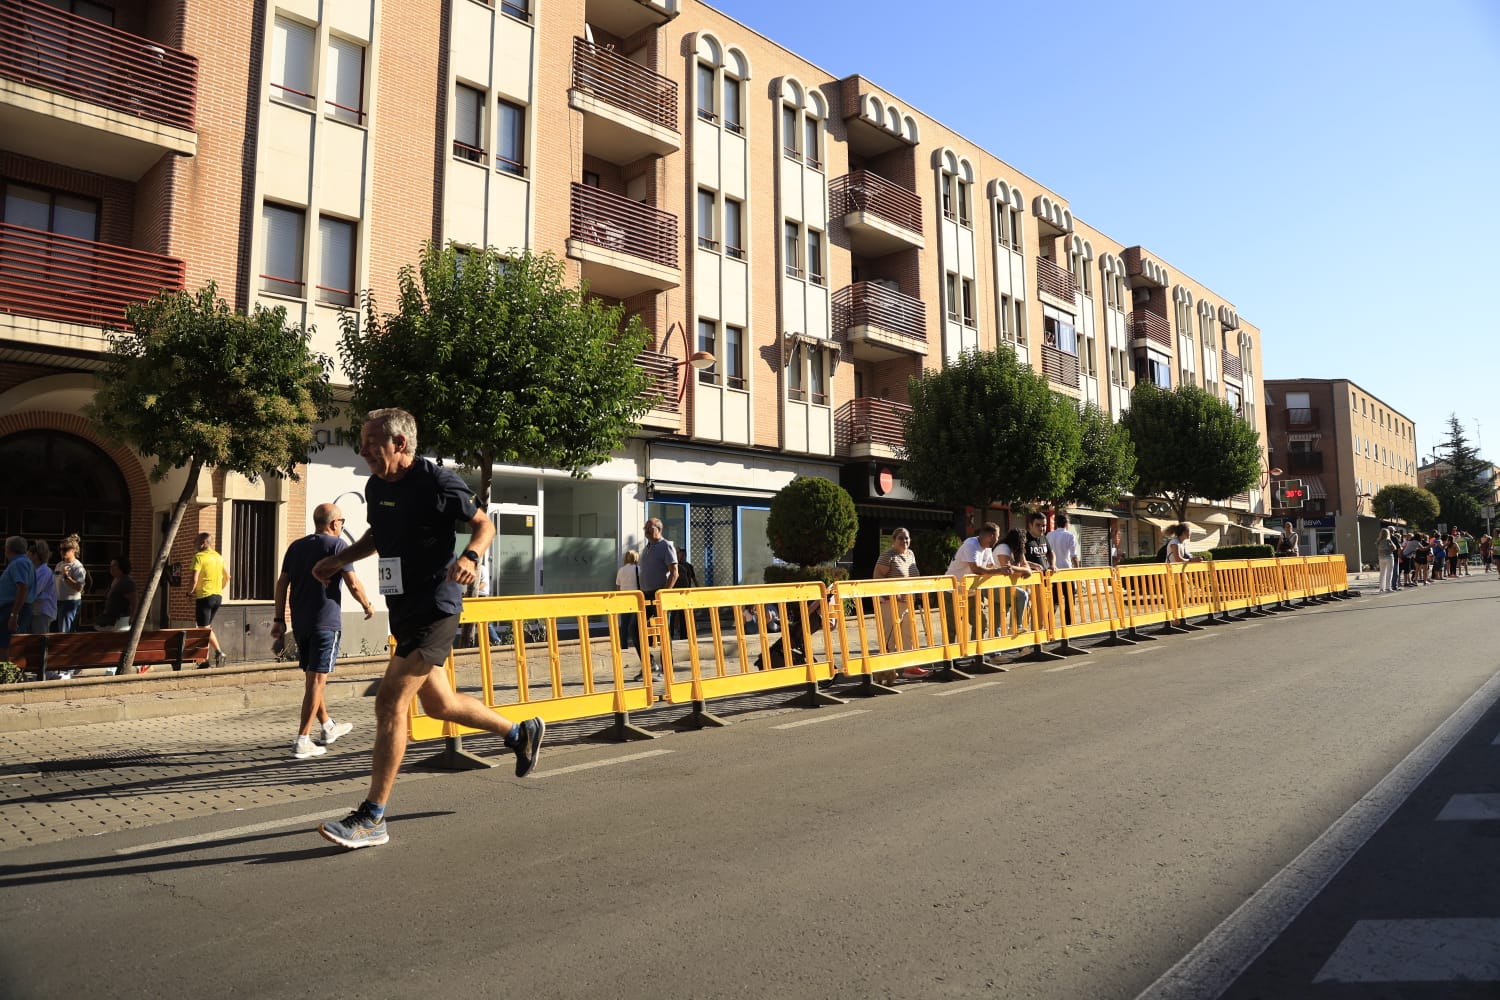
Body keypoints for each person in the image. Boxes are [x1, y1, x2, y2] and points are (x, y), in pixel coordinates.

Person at [313, 408, 544, 850]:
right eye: (361, 442)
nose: (362, 450)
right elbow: (379, 536)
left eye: (370, 442)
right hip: (403, 607)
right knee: (440, 704)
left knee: (390, 700)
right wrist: (339, 559)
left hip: (438, 606)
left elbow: (484, 524)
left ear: (400, 444)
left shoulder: (438, 481)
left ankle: (372, 817)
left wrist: (470, 558)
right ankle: (520, 733)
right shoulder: (376, 486)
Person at [271, 503, 373, 760]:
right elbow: (352, 582)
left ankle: (327, 726)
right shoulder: (336, 546)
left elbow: (282, 583)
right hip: (325, 623)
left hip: (302, 624)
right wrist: (367, 604)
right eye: (342, 522)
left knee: (313, 680)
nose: (342, 526)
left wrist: (279, 619)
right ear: (334, 523)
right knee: (317, 681)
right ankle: (302, 740)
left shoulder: (296, 547)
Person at [871, 528, 925, 684]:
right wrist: (892, 594)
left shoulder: (910, 554)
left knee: (909, 636)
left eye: (907, 538)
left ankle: (911, 668)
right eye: (901, 538)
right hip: (890, 603)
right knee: (890, 638)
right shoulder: (888, 556)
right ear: (893, 540)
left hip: (908, 603)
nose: (905, 541)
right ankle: (886, 670)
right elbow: (877, 577)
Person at [945, 521, 1003, 650]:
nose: (998, 539)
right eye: (998, 536)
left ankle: (973, 654)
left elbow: (990, 567)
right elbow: (976, 569)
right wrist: (999, 571)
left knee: (981, 624)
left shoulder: (987, 548)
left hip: (972, 591)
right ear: (991, 536)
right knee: (952, 628)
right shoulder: (970, 544)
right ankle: (949, 660)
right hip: (953, 591)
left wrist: (1005, 569)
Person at [633, 517, 677, 680]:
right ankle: (649, 664)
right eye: (645, 529)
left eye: (649, 529)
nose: (646, 532)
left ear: (659, 529)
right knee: (635, 630)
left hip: (659, 595)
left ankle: (667, 670)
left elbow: (674, 573)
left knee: (663, 633)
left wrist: (663, 594)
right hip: (645, 595)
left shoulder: (666, 546)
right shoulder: (648, 547)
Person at [188, 532, 231, 667]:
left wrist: (189, 592)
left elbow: (194, 579)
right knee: (206, 627)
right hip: (217, 597)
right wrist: (220, 588)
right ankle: (203, 660)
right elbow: (228, 577)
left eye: (196, 542)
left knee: (203, 628)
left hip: (204, 596)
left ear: (204, 543)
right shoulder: (219, 557)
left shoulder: (199, 557)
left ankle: (219, 652)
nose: (194, 545)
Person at [1, 536, 34, 652]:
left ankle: (7, 670)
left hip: (13, 609)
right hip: (17, 608)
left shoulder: (19, 563)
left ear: (8, 549)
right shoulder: (24, 562)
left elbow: (22, 588)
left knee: (7, 647)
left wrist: (14, 615)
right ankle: (9, 670)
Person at [1045, 512, 1077, 625]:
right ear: (1066, 523)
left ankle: (1049, 624)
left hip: (1053, 571)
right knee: (1069, 599)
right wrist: (1077, 572)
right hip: (1067, 571)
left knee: (1054, 599)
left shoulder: (1049, 535)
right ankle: (1068, 624)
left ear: (1056, 523)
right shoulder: (1070, 536)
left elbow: (1046, 553)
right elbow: (1074, 557)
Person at [615, 549, 643, 669]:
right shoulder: (639, 569)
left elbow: (618, 585)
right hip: (636, 599)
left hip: (624, 598)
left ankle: (623, 645)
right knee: (636, 624)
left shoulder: (621, 570)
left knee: (624, 624)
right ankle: (638, 644)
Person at [55, 535, 86, 632]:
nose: (62, 551)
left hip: (70, 603)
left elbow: (79, 588)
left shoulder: (77, 567)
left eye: (65, 549)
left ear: (74, 550)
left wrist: (67, 577)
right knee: (59, 630)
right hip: (58, 602)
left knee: (65, 632)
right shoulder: (59, 564)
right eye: (60, 549)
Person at [96, 556, 137, 629]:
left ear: (122, 567)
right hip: (108, 620)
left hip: (120, 620)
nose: (111, 568)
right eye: (111, 565)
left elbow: (134, 602)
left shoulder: (127, 582)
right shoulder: (115, 580)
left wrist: (132, 618)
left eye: (114, 565)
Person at [27, 540, 57, 634]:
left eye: (29, 554)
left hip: (42, 611)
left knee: (40, 641)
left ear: (35, 555)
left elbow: (34, 591)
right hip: (36, 610)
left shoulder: (44, 571)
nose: (27, 556)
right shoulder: (36, 570)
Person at [1375, 528, 1396, 593]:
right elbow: (1394, 548)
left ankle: (1381, 588)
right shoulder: (1388, 540)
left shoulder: (1378, 541)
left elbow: (1377, 549)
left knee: (1382, 573)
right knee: (1389, 573)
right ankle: (1388, 588)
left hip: (1381, 558)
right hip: (1389, 557)